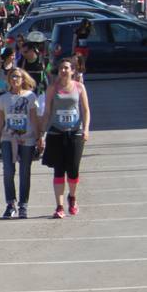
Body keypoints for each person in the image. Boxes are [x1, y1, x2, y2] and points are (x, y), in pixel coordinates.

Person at [40, 58, 91, 219]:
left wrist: (86, 129)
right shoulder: (52, 89)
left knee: (73, 169)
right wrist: (42, 133)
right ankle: (59, 206)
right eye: (61, 68)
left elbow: (86, 110)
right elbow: (47, 112)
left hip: (75, 132)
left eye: (67, 68)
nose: (63, 71)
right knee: (59, 170)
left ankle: (73, 197)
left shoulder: (79, 87)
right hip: (56, 132)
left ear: (73, 71)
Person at [0, 68, 41, 219]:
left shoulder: (30, 96)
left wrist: (39, 138)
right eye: (12, 77)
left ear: (23, 79)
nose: (14, 79)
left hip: (27, 139)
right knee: (8, 172)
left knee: (25, 172)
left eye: (17, 77)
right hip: (8, 138)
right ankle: (10, 203)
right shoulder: (3, 99)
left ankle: (23, 205)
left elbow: (34, 118)